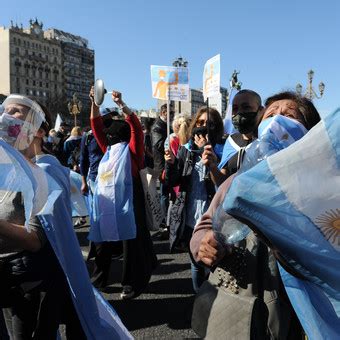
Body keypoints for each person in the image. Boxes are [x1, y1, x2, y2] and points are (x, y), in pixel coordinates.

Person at [190, 91, 321, 338]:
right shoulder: (237, 180)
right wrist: (203, 243)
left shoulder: (320, 188)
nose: (276, 121)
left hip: (286, 313)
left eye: (288, 115)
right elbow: (205, 224)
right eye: (270, 115)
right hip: (229, 305)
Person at [0, 94, 85, 339]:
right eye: (5, 109)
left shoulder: (44, 172)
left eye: (16, 111)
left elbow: (35, 238)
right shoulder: (12, 169)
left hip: (29, 280)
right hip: (10, 277)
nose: (6, 115)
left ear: (38, 130)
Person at [89, 87, 157, 299]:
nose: (110, 140)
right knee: (101, 243)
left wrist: (121, 104)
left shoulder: (133, 153)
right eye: (108, 137)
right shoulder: (106, 151)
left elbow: (136, 126)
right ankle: (99, 280)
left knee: (131, 244)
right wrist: (95, 103)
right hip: (107, 204)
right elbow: (96, 126)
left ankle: (130, 284)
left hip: (130, 204)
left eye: (114, 136)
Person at [164, 107, 224, 292]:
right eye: (200, 123)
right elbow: (173, 182)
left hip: (212, 218)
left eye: (209, 124)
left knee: (215, 265)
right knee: (196, 263)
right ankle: (200, 301)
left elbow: (223, 185)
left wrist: (210, 154)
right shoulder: (186, 150)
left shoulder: (223, 149)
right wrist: (171, 164)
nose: (203, 127)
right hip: (190, 217)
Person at [202, 89, 263, 187]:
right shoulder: (231, 141)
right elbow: (222, 183)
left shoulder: (268, 139)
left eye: (246, 107)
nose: (239, 112)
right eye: (235, 108)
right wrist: (213, 167)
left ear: (261, 110)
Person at [152, 103, 174, 234]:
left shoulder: (167, 126)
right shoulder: (157, 126)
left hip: (170, 163)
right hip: (162, 165)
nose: (172, 116)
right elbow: (159, 145)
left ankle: (170, 217)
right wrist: (173, 139)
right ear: (164, 112)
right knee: (164, 194)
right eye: (171, 113)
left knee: (170, 193)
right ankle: (164, 220)